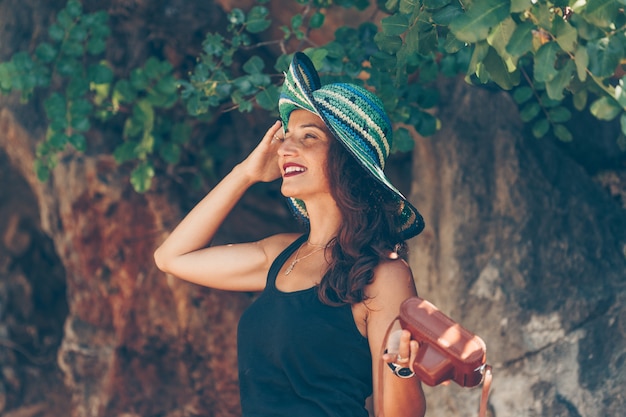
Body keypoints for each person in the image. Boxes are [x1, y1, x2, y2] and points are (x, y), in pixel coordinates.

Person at [154, 52, 427, 417]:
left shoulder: (383, 275)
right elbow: (171, 258)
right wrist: (244, 173)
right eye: (285, 137)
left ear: (347, 160)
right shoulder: (278, 256)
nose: (284, 148)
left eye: (308, 136)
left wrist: (401, 365)